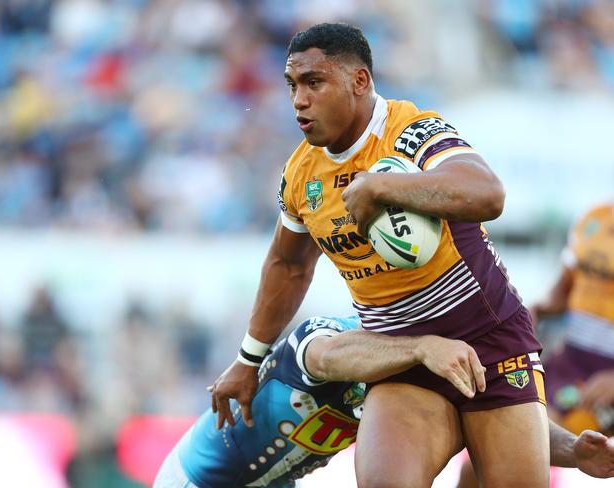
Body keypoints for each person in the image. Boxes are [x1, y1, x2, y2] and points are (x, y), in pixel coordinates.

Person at [211, 23, 548, 488]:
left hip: (489, 343)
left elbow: (488, 194)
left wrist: (383, 185)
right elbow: (288, 265)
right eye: (292, 85)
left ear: (359, 81)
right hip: (400, 356)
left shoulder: (411, 131)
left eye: (314, 82)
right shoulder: (299, 174)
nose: (298, 100)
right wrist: (248, 360)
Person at [158, 316, 614, 487]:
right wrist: (419, 348)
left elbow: (498, 417)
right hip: (198, 478)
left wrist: (574, 450)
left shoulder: (422, 374)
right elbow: (324, 354)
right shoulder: (332, 335)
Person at [532, 202, 614, 435]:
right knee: (517, 441)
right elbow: (562, 291)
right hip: (572, 361)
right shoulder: (594, 217)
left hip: (609, 373)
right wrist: (534, 309)